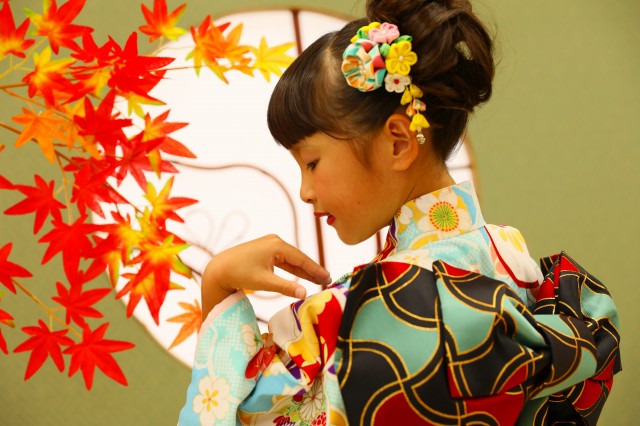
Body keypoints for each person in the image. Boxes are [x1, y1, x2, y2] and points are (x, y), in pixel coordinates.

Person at [178, 0, 621, 424]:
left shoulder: (391, 307)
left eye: (311, 162)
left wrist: (217, 283)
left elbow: (243, 413)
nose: (305, 192)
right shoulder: (507, 254)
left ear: (398, 143)